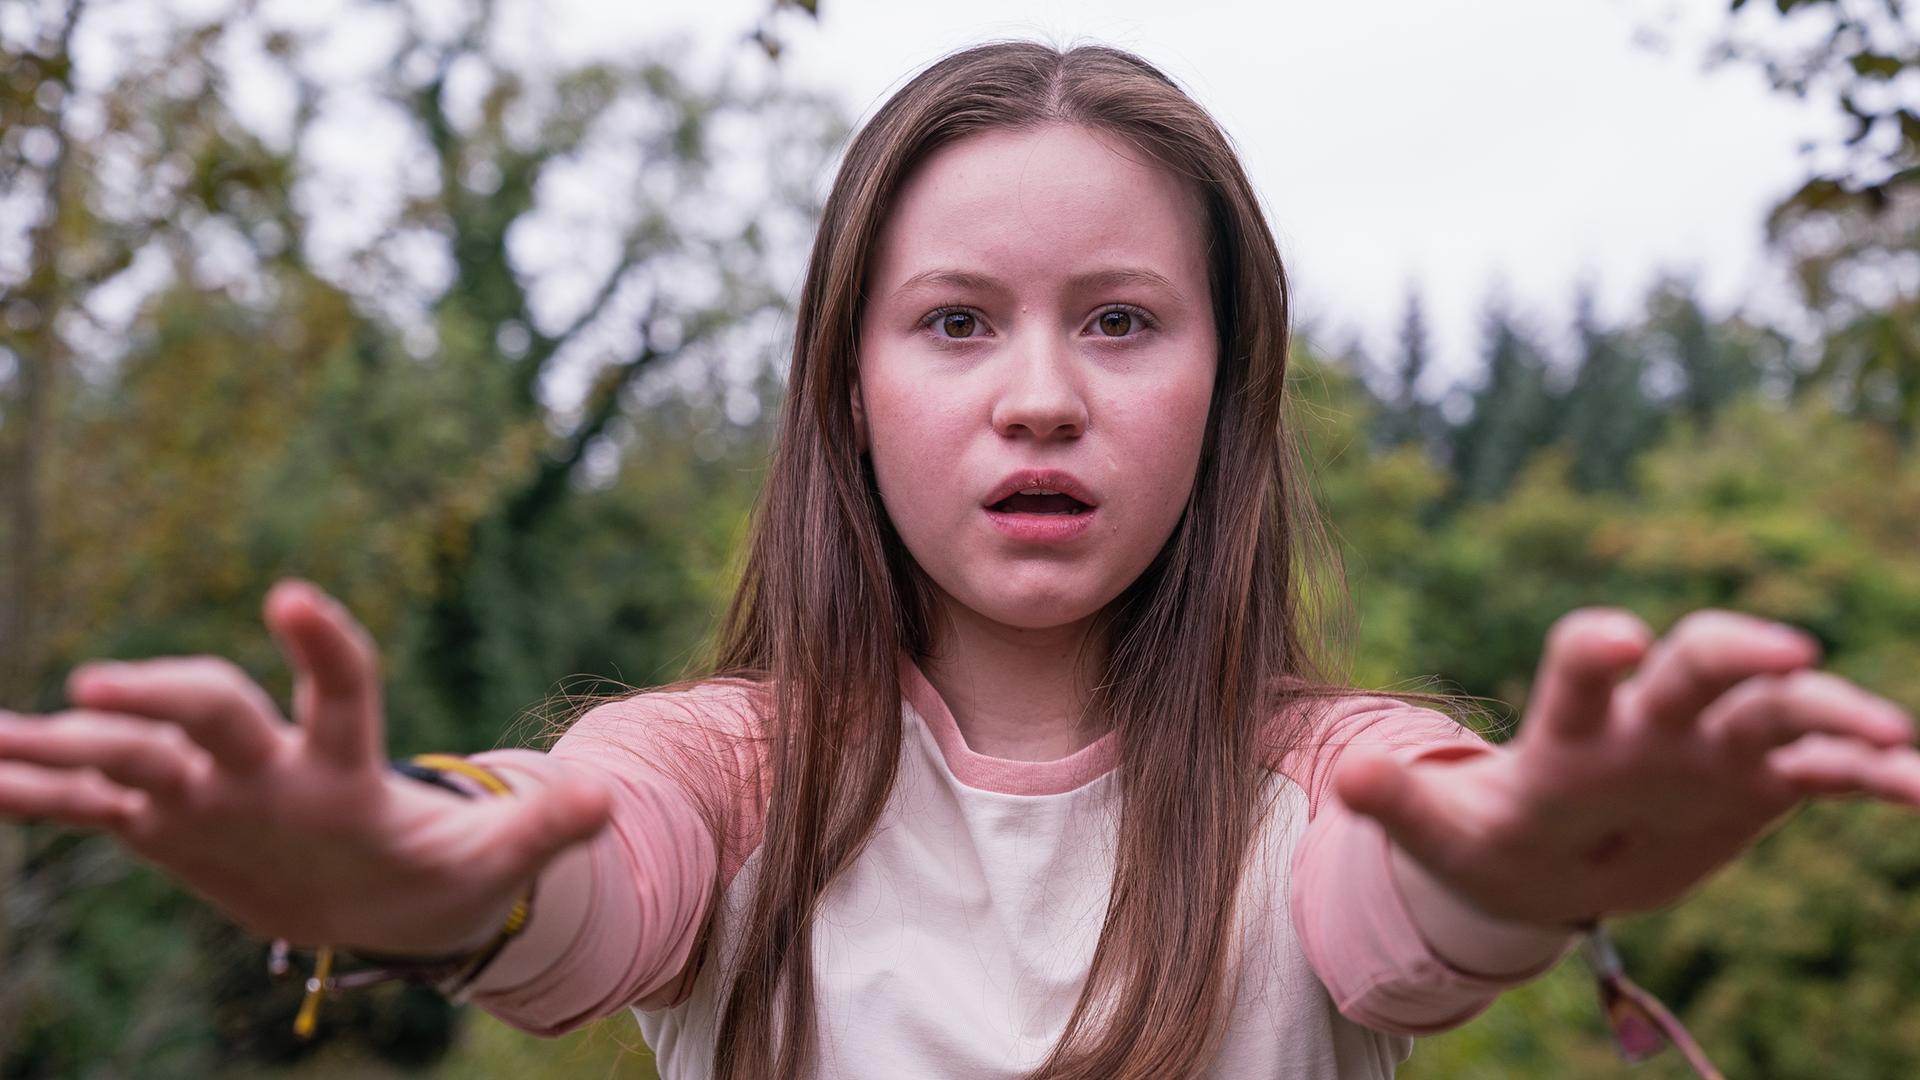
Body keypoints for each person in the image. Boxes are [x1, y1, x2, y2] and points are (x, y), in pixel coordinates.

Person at [4, 40, 1918, 1080]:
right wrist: (424, 876)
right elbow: (574, 870)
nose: (1039, 399)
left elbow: (1405, 906)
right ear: (843, 388)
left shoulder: (1339, 771)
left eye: (1118, 321)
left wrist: (1505, 871)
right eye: (952, 324)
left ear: (1226, 387)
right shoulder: (723, 771)